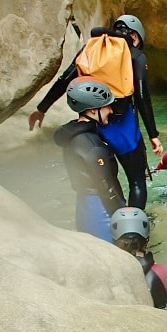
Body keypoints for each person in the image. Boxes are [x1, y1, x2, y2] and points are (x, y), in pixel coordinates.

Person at [30, 14, 163, 209]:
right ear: (135, 36)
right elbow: (142, 96)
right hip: (122, 126)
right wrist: (153, 134)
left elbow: (65, 79)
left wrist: (42, 108)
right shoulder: (136, 55)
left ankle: (113, 220)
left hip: (93, 126)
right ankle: (135, 228)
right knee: (136, 181)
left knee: (107, 180)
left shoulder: (92, 49)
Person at [53, 78, 126, 241]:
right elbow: (107, 189)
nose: (111, 111)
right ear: (92, 111)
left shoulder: (71, 135)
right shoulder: (92, 146)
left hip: (84, 209)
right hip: (102, 212)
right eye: (107, 106)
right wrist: (123, 218)